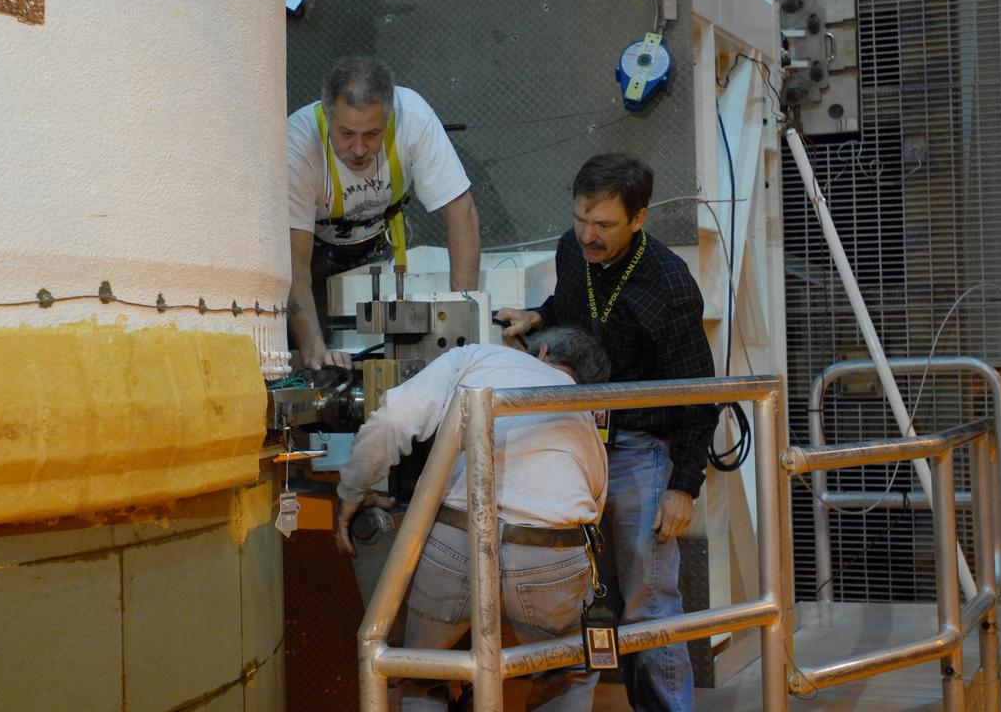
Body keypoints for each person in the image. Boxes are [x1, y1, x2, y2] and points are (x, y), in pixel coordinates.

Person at [496, 153, 717, 712]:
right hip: (572, 444)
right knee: (583, 594)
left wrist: (683, 485)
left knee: (648, 601)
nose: (588, 236)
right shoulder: (573, 250)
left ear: (639, 218)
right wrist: (537, 317)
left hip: (639, 453)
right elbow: (572, 305)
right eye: (580, 219)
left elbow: (699, 393)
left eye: (604, 226)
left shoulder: (668, 284)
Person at [334, 329, 611, 711]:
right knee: (566, 674)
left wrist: (351, 490)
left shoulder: (478, 357)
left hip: (457, 537)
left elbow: (392, 421)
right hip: (550, 549)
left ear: (542, 351)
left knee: (422, 671)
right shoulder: (584, 405)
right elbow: (594, 502)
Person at [287, 58, 481, 370]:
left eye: (372, 134)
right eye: (347, 134)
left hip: (380, 240)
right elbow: (293, 262)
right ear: (327, 114)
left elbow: (461, 210)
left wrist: (462, 321)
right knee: (310, 352)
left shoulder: (414, 117)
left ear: (389, 116)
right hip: (316, 250)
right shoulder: (297, 144)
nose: (360, 148)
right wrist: (314, 350)